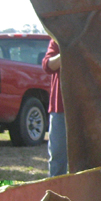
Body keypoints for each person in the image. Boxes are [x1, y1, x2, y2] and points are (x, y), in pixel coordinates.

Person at [42, 37, 67, 176]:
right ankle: (56, 194)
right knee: (57, 156)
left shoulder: (92, 37)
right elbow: (48, 65)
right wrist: (67, 49)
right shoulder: (57, 39)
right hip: (60, 108)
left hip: (88, 109)